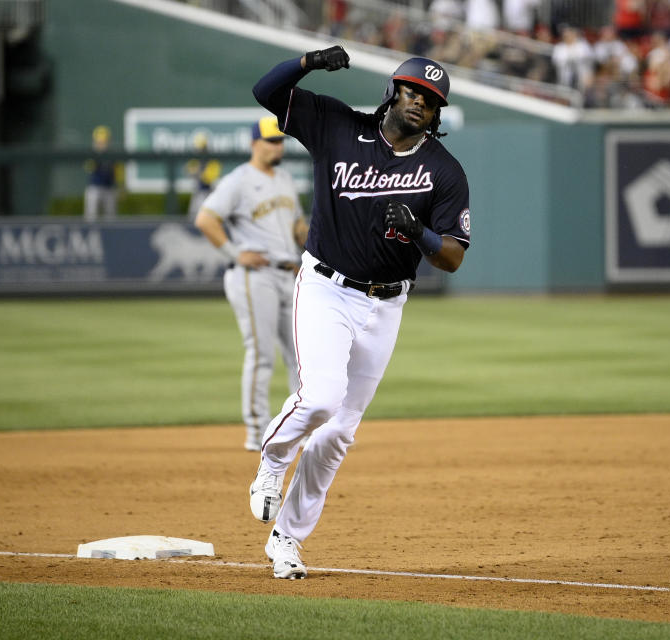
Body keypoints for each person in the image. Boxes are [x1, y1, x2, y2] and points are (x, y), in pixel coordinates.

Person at [248, 47, 471, 579]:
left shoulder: (443, 170)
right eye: (412, 90)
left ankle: (288, 541)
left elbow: (454, 256)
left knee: (339, 432)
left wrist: (419, 231)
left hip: (388, 302)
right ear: (394, 91)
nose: (419, 102)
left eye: (430, 99)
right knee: (321, 397)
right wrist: (305, 63)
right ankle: (273, 461)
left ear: (438, 114)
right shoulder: (337, 126)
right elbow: (265, 93)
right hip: (326, 287)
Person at [194, 116, 308, 452]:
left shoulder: (285, 178)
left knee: (302, 357)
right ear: (253, 144)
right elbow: (205, 218)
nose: (277, 146)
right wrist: (233, 252)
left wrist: (313, 239)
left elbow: (298, 224)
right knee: (262, 355)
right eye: (270, 141)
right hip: (254, 275)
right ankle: (257, 433)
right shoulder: (238, 181)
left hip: (289, 272)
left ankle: (304, 427)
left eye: (280, 141)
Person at [83, 125, 120, 221]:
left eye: (104, 142)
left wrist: (120, 185)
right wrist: (96, 157)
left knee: (110, 217)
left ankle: (111, 235)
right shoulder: (92, 154)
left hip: (109, 188)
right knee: (91, 216)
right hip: (95, 187)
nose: (102, 144)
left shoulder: (112, 155)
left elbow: (117, 171)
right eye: (99, 142)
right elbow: (88, 168)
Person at [185, 132, 222, 218]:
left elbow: (211, 176)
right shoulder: (195, 159)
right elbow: (189, 171)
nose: (200, 151)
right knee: (193, 215)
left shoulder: (212, 160)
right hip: (197, 191)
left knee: (210, 215)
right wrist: (197, 173)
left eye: (202, 148)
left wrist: (201, 174)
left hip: (209, 192)